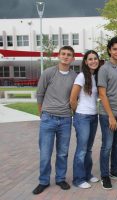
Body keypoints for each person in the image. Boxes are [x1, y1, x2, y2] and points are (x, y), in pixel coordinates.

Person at [33, 46, 77, 195]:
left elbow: (75, 97)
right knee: (45, 153)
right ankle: (43, 181)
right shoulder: (48, 73)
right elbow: (40, 94)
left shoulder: (74, 76)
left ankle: (60, 179)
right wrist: (42, 113)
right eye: (63, 54)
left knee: (63, 153)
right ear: (58, 56)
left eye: (69, 55)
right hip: (48, 118)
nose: (65, 57)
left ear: (73, 58)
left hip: (65, 119)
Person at [97, 37, 117, 190]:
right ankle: (104, 175)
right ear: (109, 50)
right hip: (107, 115)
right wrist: (110, 116)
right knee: (107, 145)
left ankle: (115, 171)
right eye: (114, 49)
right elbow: (102, 94)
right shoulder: (104, 69)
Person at [70, 50, 102, 189]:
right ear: (85, 61)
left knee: (88, 149)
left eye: (95, 58)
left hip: (94, 116)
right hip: (82, 116)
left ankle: (88, 174)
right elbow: (72, 99)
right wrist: (78, 113)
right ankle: (78, 179)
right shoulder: (82, 76)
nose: (93, 61)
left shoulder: (95, 76)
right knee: (82, 149)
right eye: (90, 59)